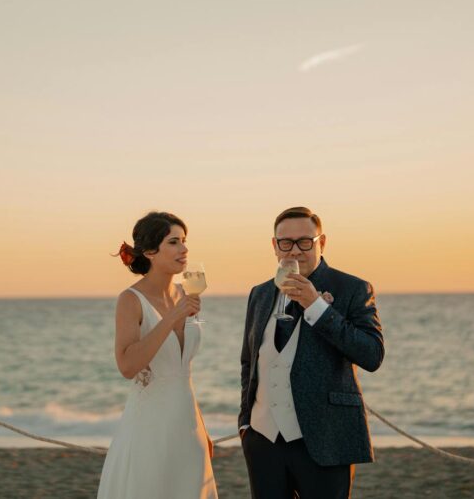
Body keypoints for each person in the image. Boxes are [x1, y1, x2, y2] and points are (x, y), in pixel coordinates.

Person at [239, 207, 384, 499]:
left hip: (326, 439)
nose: (295, 250)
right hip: (263, 441)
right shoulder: (260, 293)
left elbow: (372, 355)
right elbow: (249, 361)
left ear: (322, 242)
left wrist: (318, 307)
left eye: (305, 241)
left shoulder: (352, 288)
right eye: (286, 242)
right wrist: (245, 424)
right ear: (274, 245)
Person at [98, 211, 218, 499]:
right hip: (149, 425)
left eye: (184, 241)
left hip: (187, 424)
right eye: (174, 242)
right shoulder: (129, 300)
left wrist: (202, 425)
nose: (184, 249)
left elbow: (183, 368)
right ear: (151, 251)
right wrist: (173, 316)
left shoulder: (186, 294)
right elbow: (127, 366)